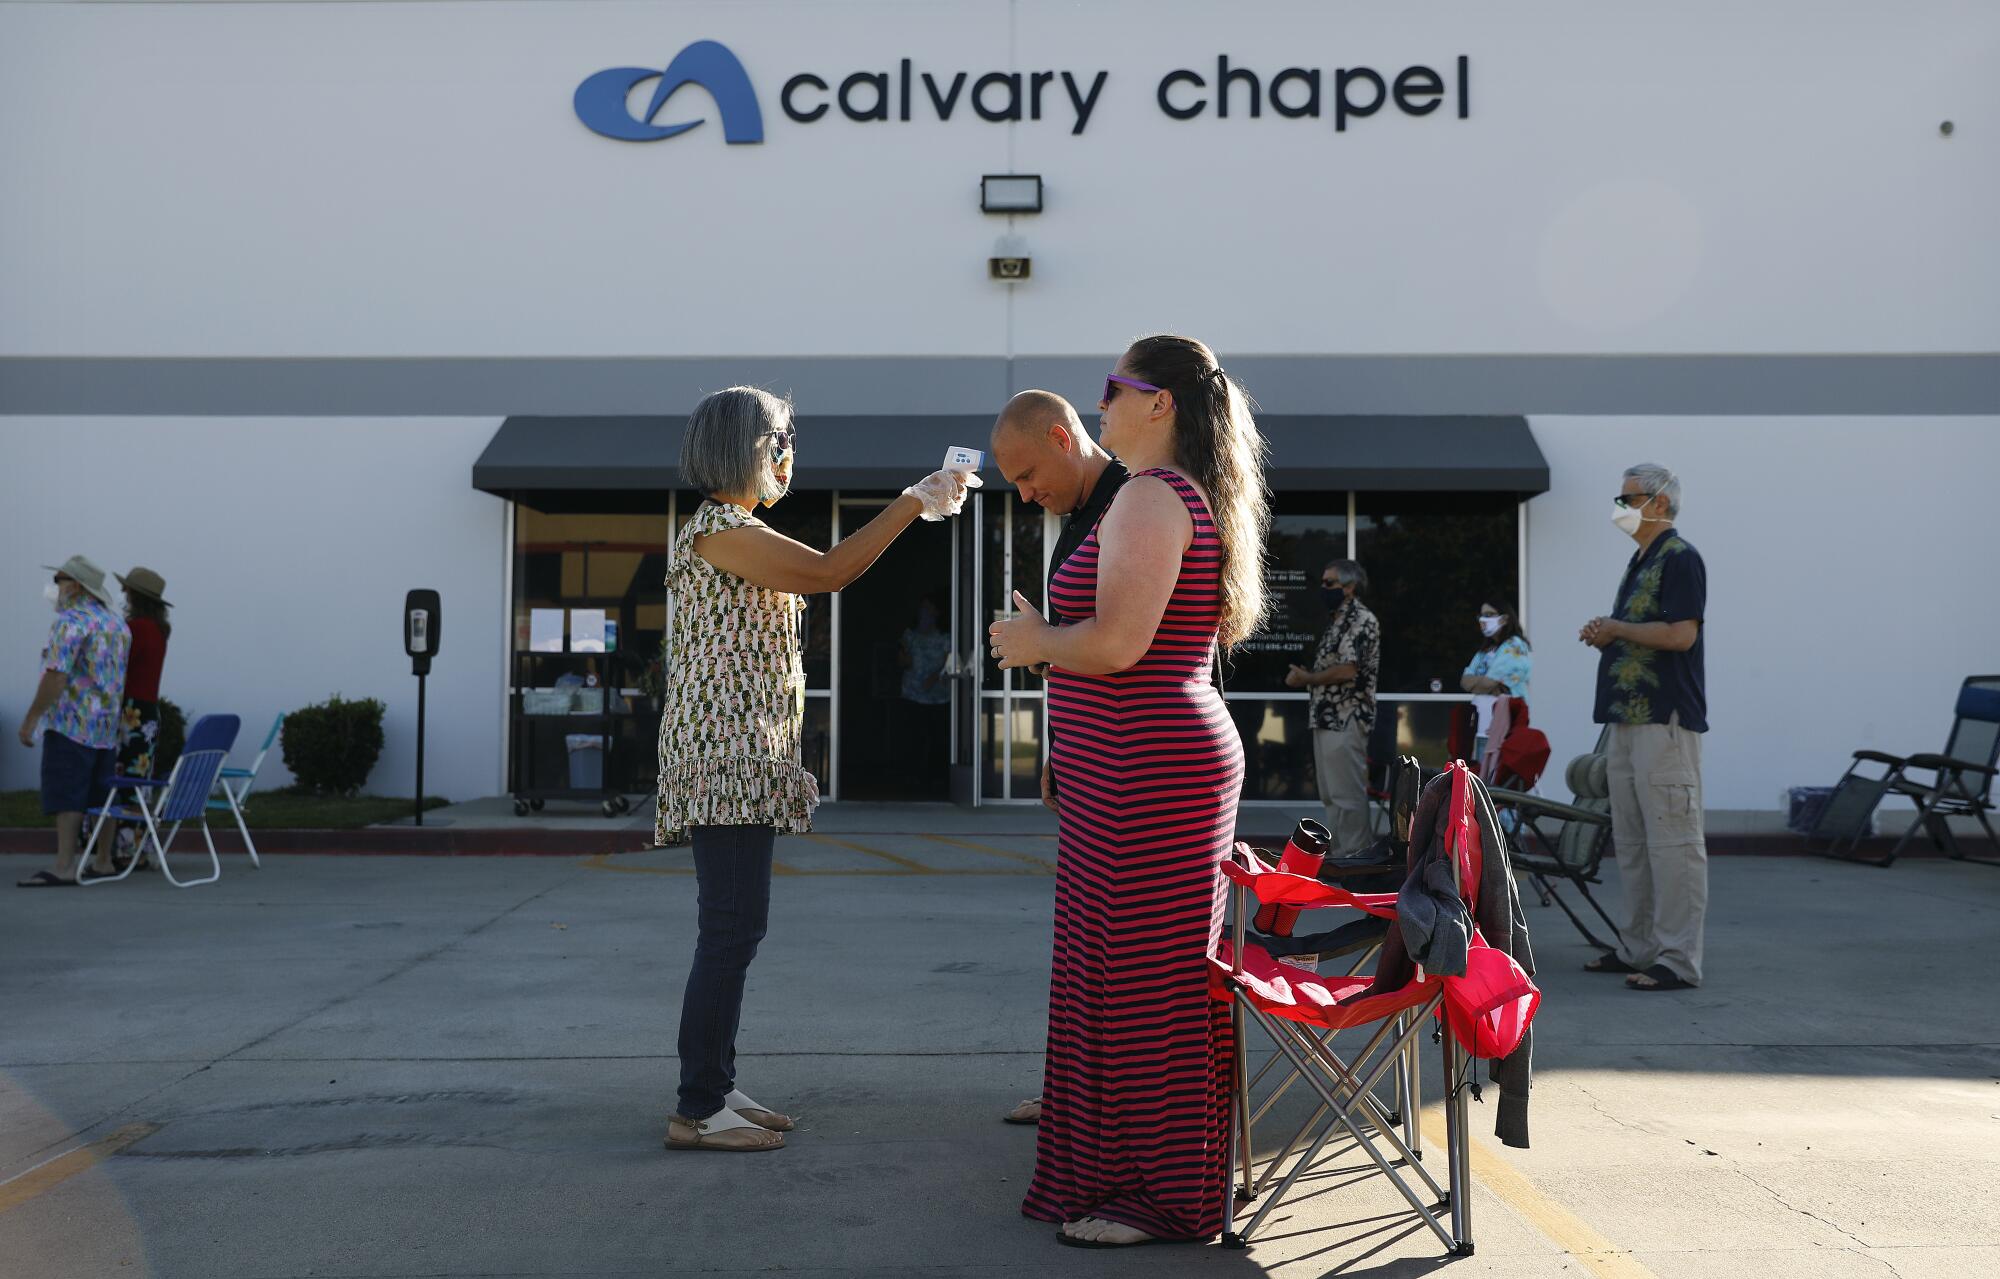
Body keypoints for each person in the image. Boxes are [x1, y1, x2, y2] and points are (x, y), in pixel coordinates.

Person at [989, 334, 1270, 1247]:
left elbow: (1117, 645)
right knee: (1120, 969)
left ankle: (1159, 1195)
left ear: (1161, 404)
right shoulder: (1160, 496)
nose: (1101, 400)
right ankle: (1126, 1177)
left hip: (1152, 763)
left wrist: (1037, 645)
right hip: (1134, 760)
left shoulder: (1152, 495)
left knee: (1146, 979)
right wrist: (1050, 639)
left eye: (1116, 387)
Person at [656, 386, 970, 1152]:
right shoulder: (720, 529)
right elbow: (831, 571)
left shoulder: (736, 530)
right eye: (780, 445)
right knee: (728, 930)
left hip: (745, 755)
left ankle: (718, 1086)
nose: (790, 459)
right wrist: (910, 504)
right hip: (723, 758)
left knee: (737, 928)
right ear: (747, 450)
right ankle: (698, 1106)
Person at [1580, 463, 1708, 993]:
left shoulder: (1681, 558)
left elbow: (1681, 635)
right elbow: (1642, 630)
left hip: (1665, 720)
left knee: (1673, 843)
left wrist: (1617, 628)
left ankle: (1678, 959)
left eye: (1627, 497)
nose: (1619, 507)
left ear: (1658, 503)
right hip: (1628, 722)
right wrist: (1608, 633)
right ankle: (1639, 946)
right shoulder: (1641, 560)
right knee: (1632, 841)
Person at [16, 556, 131, 887]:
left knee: (67, 794)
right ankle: (104, 860)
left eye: (59, 581)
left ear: (76, 586)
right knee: (104, 794)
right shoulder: (116, 625)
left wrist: (32, 718)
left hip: (72, 724)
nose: (55, 588)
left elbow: (56, 674)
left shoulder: (71, 622)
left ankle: (65, 866)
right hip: (106, 727)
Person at [1287, 560, 1380, 855]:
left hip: (1346, 717)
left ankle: (1356, 859)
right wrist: (1308, 677)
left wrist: (1309, 679)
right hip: (1327, 717)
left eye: (1330, 583)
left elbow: (1348, 670)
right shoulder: (1337, 619)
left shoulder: (1361, 619)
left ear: (1350, 587)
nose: (1323, 588)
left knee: (1347, 796)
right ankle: (1340, 856)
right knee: (1331, 795)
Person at [112, 567, 173, 869]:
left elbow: (117, 669)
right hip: (148, 711)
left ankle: (122, 850)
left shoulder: (134, 629)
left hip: (130, 711)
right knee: (140, 782)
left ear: (134, 595)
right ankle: (140, 847)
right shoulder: (159, 630)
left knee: (123, 780)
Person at [1461, 597, 1532, 762]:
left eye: (1489, 614)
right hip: (1482, 719)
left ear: (1505, 618)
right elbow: (1465, 681)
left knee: (1497, 766)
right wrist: (1486, 684)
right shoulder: (1486, 649)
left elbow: (1489, 682)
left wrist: (1481, 683)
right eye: (1482, 615)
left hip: (1505, 720)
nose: (1484, 619)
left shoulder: (1515, 645)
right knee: (1481, 765)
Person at [896, 597, 952, 791]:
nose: (925, 615)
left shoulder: (944, 638)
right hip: (912, 695)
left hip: (938, 697)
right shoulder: (910, 636)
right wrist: (903, 655)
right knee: (913, 739)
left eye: (928, 611)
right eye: (922, 611)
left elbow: (949, 665)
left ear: (937, 613)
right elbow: (901, 661)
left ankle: (936, 779)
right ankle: (913, 778)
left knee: (937, 739)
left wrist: (935, 677)